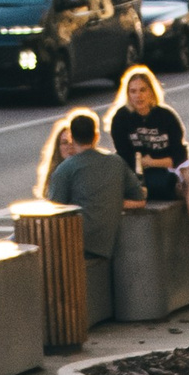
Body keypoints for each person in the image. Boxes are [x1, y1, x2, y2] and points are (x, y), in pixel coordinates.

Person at [108, 63, 189, 288]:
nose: (138, 96)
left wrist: (153, 161)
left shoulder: (166, 116)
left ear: (151, 92)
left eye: (142, 90)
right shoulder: (121, 119)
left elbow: (179, 155)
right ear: (127, 94)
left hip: (169, 173)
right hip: (144, 180)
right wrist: (153, 163)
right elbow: (128, 159)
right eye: (133, 91)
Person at [41, 110, 139, 262]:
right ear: (96, 136)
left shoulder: (65, 169)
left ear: (72, 138)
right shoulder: (116, 162)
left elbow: (54, 215)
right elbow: (140, 200)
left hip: (76, 245)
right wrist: (110, 202)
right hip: (105, 245)